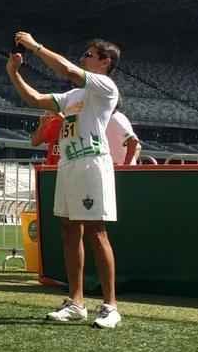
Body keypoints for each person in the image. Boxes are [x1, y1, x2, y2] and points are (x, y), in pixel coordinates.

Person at [6, 33, 124, 329]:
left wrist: (35, 46)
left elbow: (68, 70)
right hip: (69, 163)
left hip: (92, 162)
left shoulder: (104, 85)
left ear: (105, 62)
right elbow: (35, 99)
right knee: (69, 230)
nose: (83, 58)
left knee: (96, 231)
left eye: (89, 54)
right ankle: (77, 302)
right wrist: (13, 73)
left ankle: (110, 306)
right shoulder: (73, 96)